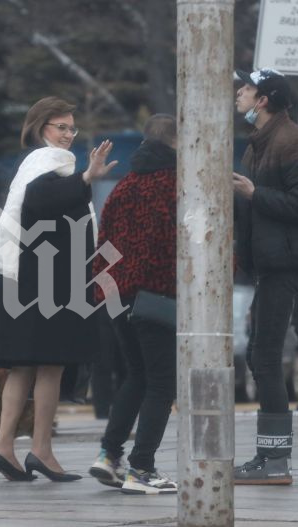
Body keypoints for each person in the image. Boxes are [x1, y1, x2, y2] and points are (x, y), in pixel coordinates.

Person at [0, 96, 116, 482]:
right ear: (41, 128)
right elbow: (42, 201)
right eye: (61, 127)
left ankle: (4, 448)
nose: (68, 134)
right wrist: (86, 179)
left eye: (72, 128)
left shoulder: (34, 163)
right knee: (50, 365)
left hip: (24, 280)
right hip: (43, 284)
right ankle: (40, 449)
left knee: (22, 368)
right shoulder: (48, 160)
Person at [232, 68, 298, 485]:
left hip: (285, 262)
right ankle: (269, 457)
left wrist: (254, 194)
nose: (239, 93)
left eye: (247, 88)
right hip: (268, 261)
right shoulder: (261, 142)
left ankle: (275, 461)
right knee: (259, 355)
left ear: (264, 99)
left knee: (265, 356)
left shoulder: (291, 142)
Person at [88, 114, 179, 495]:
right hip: (154, 294)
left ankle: (109, 455)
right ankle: (141, 468)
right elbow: (178, 242)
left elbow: (104, 243)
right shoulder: (175, 185)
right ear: (176, 142)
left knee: (136, 375)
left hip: (114, 295)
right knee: (162, 382)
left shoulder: (123, 186)